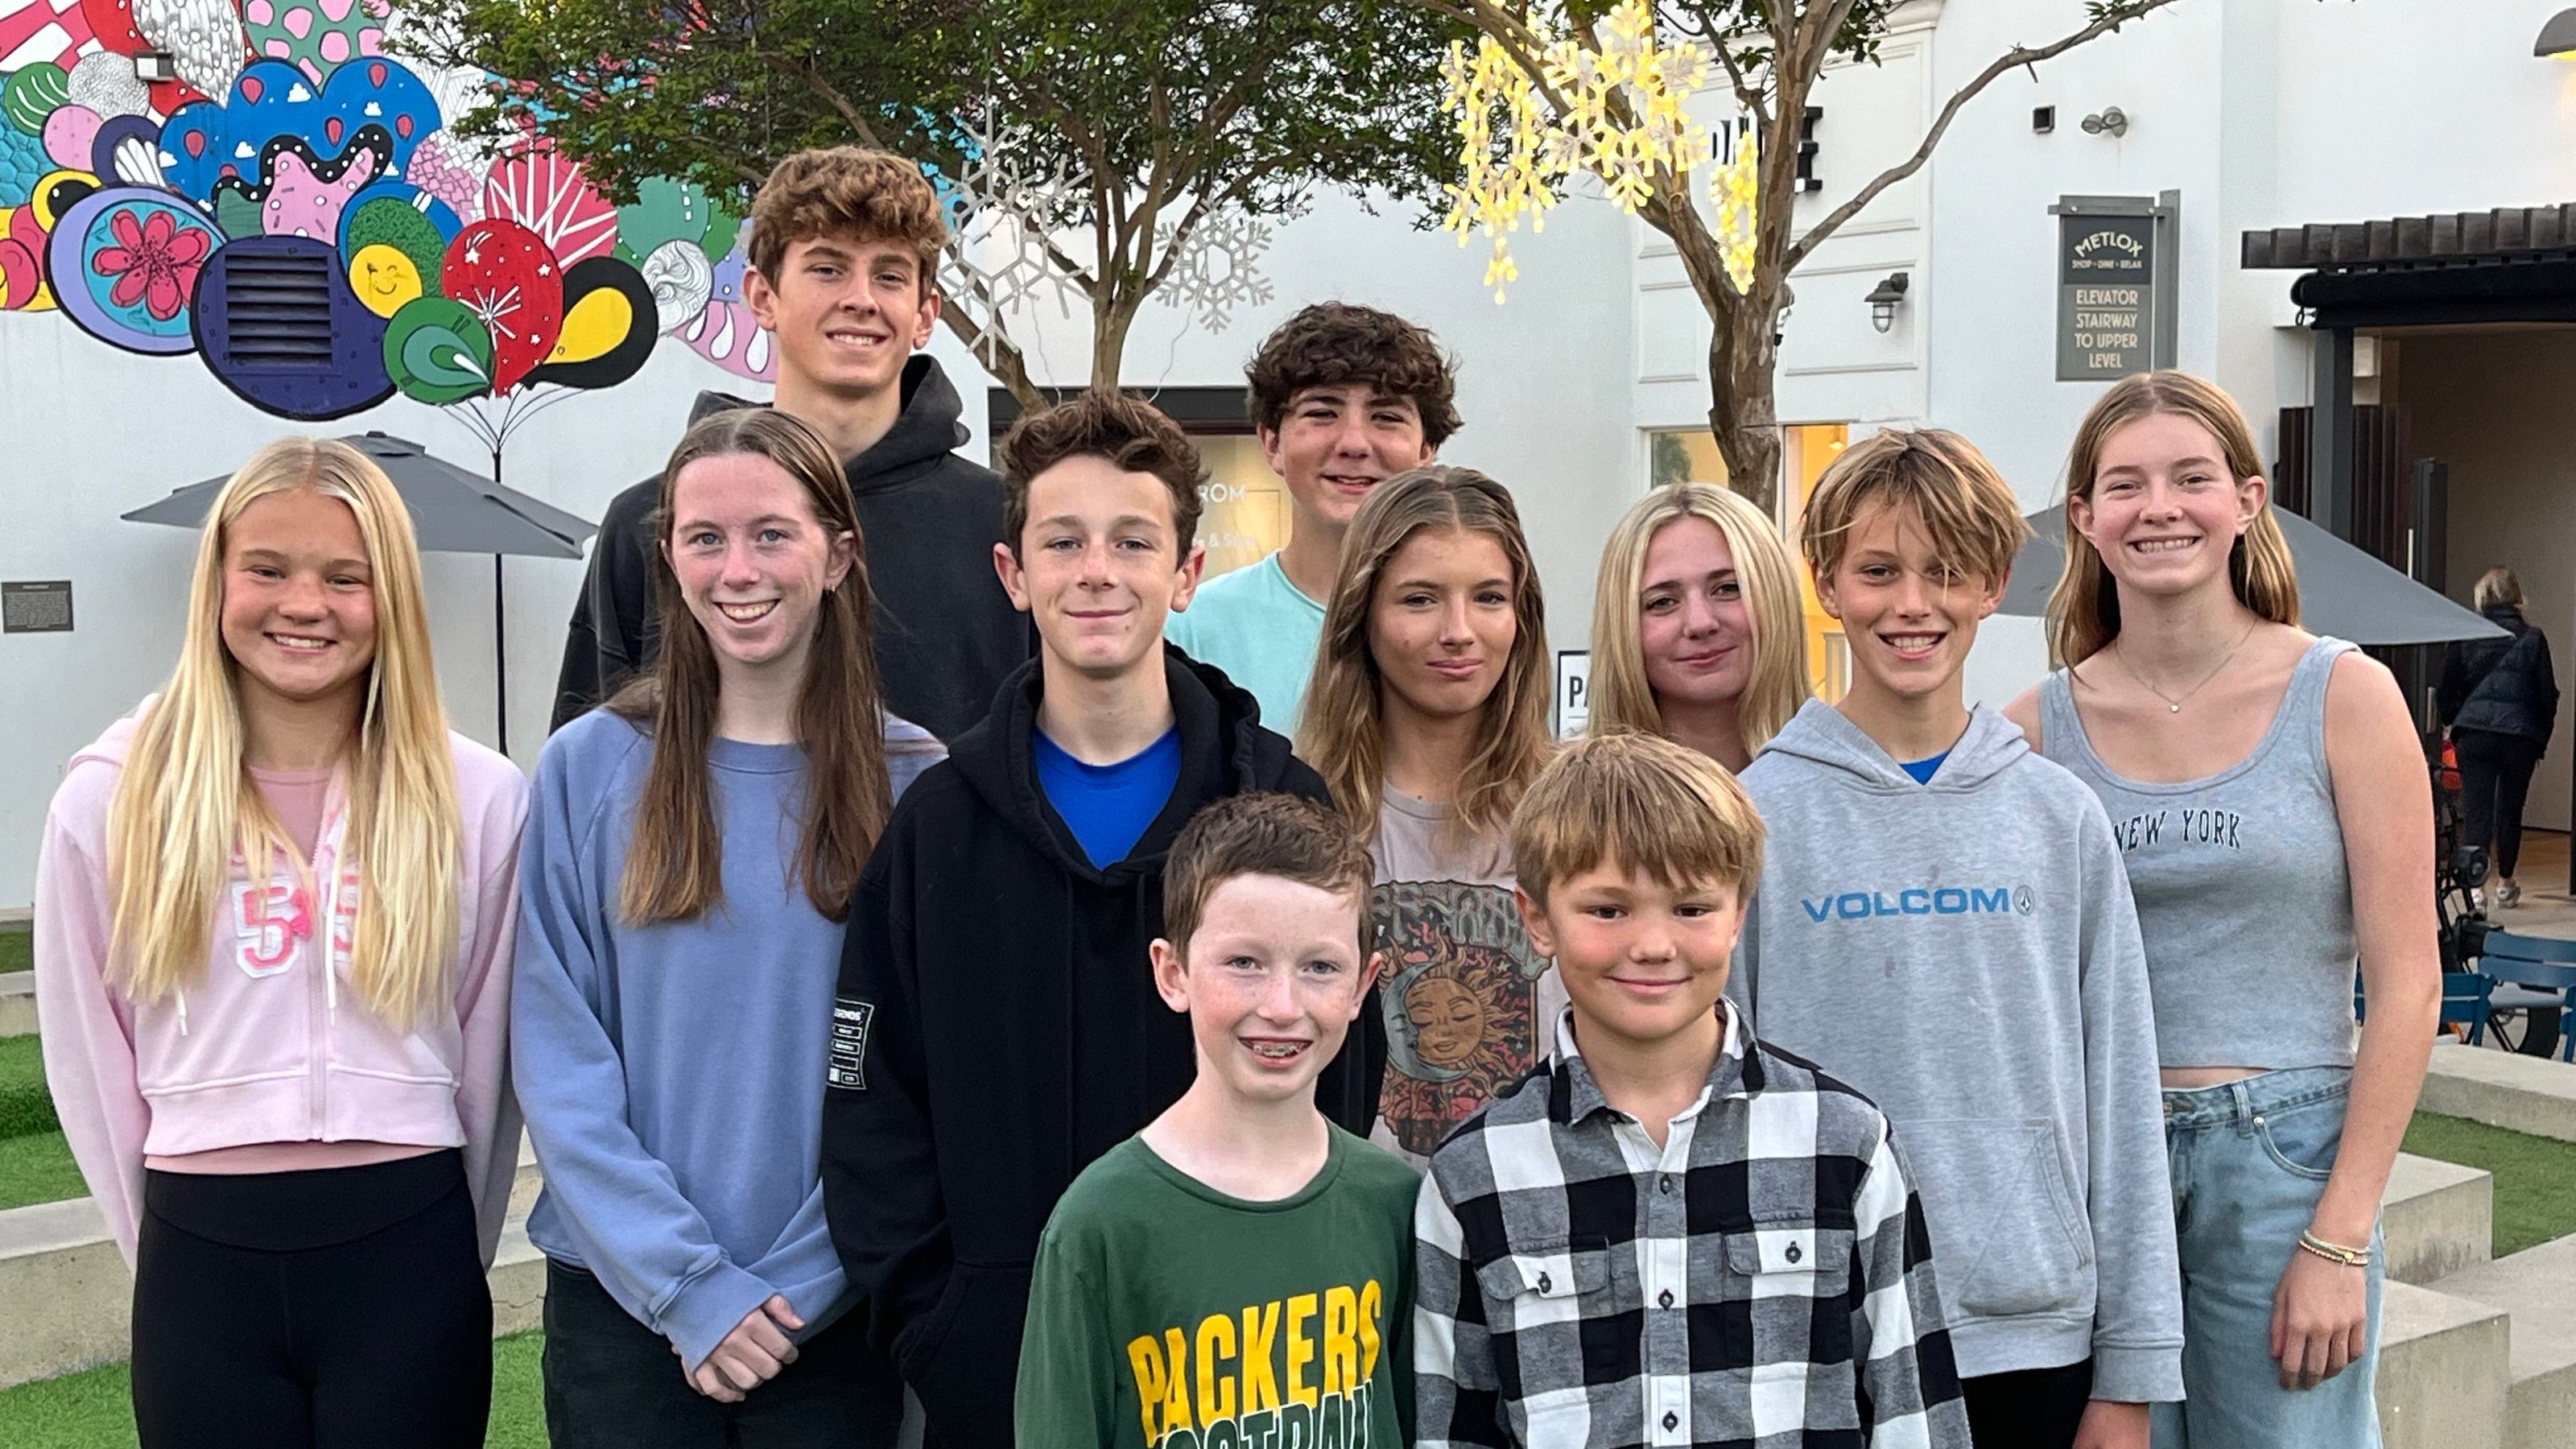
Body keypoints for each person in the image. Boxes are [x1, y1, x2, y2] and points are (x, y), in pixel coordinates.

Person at [820, 390, 1383, 1446]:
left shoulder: (1282, 809)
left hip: (1240, 1376)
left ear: (1185, 573)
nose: (1096, 572)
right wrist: (948, 1333)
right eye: (1063, 541)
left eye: (1133, 541)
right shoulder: (936, 832)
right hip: (996, 1377)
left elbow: (1341, 1076)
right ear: (1014, 574)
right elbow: (871, 1104)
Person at [35, 437, 525, 1448]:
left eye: (347, 577)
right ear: (215, 580)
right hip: (201, 1263)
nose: (304, 604)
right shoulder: (111, 797)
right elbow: (88, 1049)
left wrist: (454, 1244)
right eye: (267, 568)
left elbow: (487, 1046)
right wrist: (162, 1247)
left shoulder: (478, 797)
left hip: (409, 1251)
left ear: (390, 597)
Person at [2006, 370, 2440, 1449]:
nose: (2160, 508)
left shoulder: (2345, 696)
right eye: (2126, 485)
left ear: (2248, 501)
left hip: (2286, 1163)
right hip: (2104, 1166)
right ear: (2084, 521)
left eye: (2192, 478)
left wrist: (2339, 1238)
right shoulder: (2030, 732)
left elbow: (2409, 983)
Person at [1742, 428, 2182, 1449]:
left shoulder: (2057, 816)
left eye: (1944, 573)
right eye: (1879, 572)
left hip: (2031, 1333)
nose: (1911, 605)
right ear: (1826, 583)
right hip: (1820, 1331)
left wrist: (2132, 1370)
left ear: (1991, 584)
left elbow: (2120, 1093)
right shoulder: (1755, 819)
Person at [514, 410, 945, 1448]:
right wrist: (688, 1286)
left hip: (832, 1310)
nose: (737, 568)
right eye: (705, 538)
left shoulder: (915, 783)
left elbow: (919, 1069)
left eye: (771, 534)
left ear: (838, 554)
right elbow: (557, 1054)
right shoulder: (588, 767)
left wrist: (805, 1279)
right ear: (667, 556)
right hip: (624, 1305)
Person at [1415, 732, 1972, 1447]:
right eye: (1608, 910)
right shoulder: (1473, 1172)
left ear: (1738, 913)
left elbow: (1912, 1411)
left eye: (1691, 909)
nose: (1653, 945)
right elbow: (1451, 1426)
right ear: (1536, 918)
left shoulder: (1845, 1141)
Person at [551, 145, 1027, 741]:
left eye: (889, 275)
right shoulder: (652, 525)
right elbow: (591, 784)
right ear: (762, 298)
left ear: (925, 313)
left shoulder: (1005, 525)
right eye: (827, 269)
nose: (861, 298)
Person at [1014, 793, 1417, 1447]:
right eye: (1244, 963)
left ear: (1362, 988)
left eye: (1320, 967)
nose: (1283, 1007)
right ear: (1172, 973)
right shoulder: (1100, 1224)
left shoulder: (1395, 1204)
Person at [1298, 464, 1557, 1163]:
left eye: (1490, 598)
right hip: (1360, 1236)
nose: (1459, 631)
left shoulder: (1573, 813)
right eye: (1419, 599)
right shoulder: (1299, 814)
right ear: (1362, 614)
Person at [1165, 302, 1459, 735]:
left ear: (1426, 451)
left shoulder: (1466, 630)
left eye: (1386, 417)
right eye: (1322, 413)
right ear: (1271, 442)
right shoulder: (1192, 632)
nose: (1354, 443)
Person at [1587, 480, 1812, 770]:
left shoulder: (1854, 783)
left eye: (1728, 588)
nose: (1700, 623)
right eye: (1663, 602)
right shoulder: (1572, 802)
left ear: (1776, 595)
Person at [2437, 565, 2559, 908]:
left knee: (2476, 810)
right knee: (2510, 808)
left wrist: (2454, 722)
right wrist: (2540, 735)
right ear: (2516, 597)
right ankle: (2506, 882)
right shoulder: (2533, 639)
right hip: (2519, 736)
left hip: (2475, 736)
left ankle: (2476, 888)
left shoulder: (2465, 636)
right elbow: (2546, 694)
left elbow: (2448, 689)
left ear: (2482, 599)